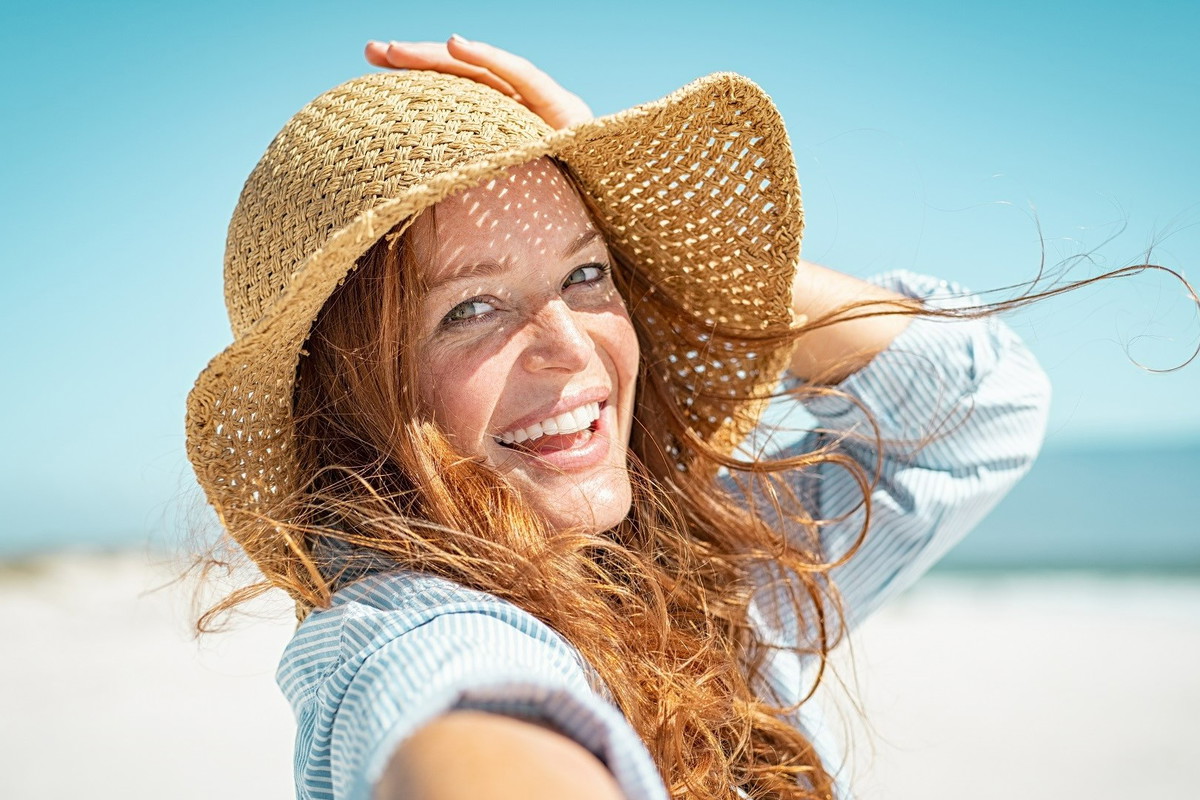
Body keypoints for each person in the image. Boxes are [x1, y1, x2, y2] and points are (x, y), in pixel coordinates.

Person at [186, 36, 1056, 800]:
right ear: (351, 397)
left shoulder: (702, 578)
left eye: (588, 275)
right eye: (471, 308)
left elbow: (976, 402)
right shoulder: (409, 631)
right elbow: (467, 717)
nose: (571, 347)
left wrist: (642, 230)